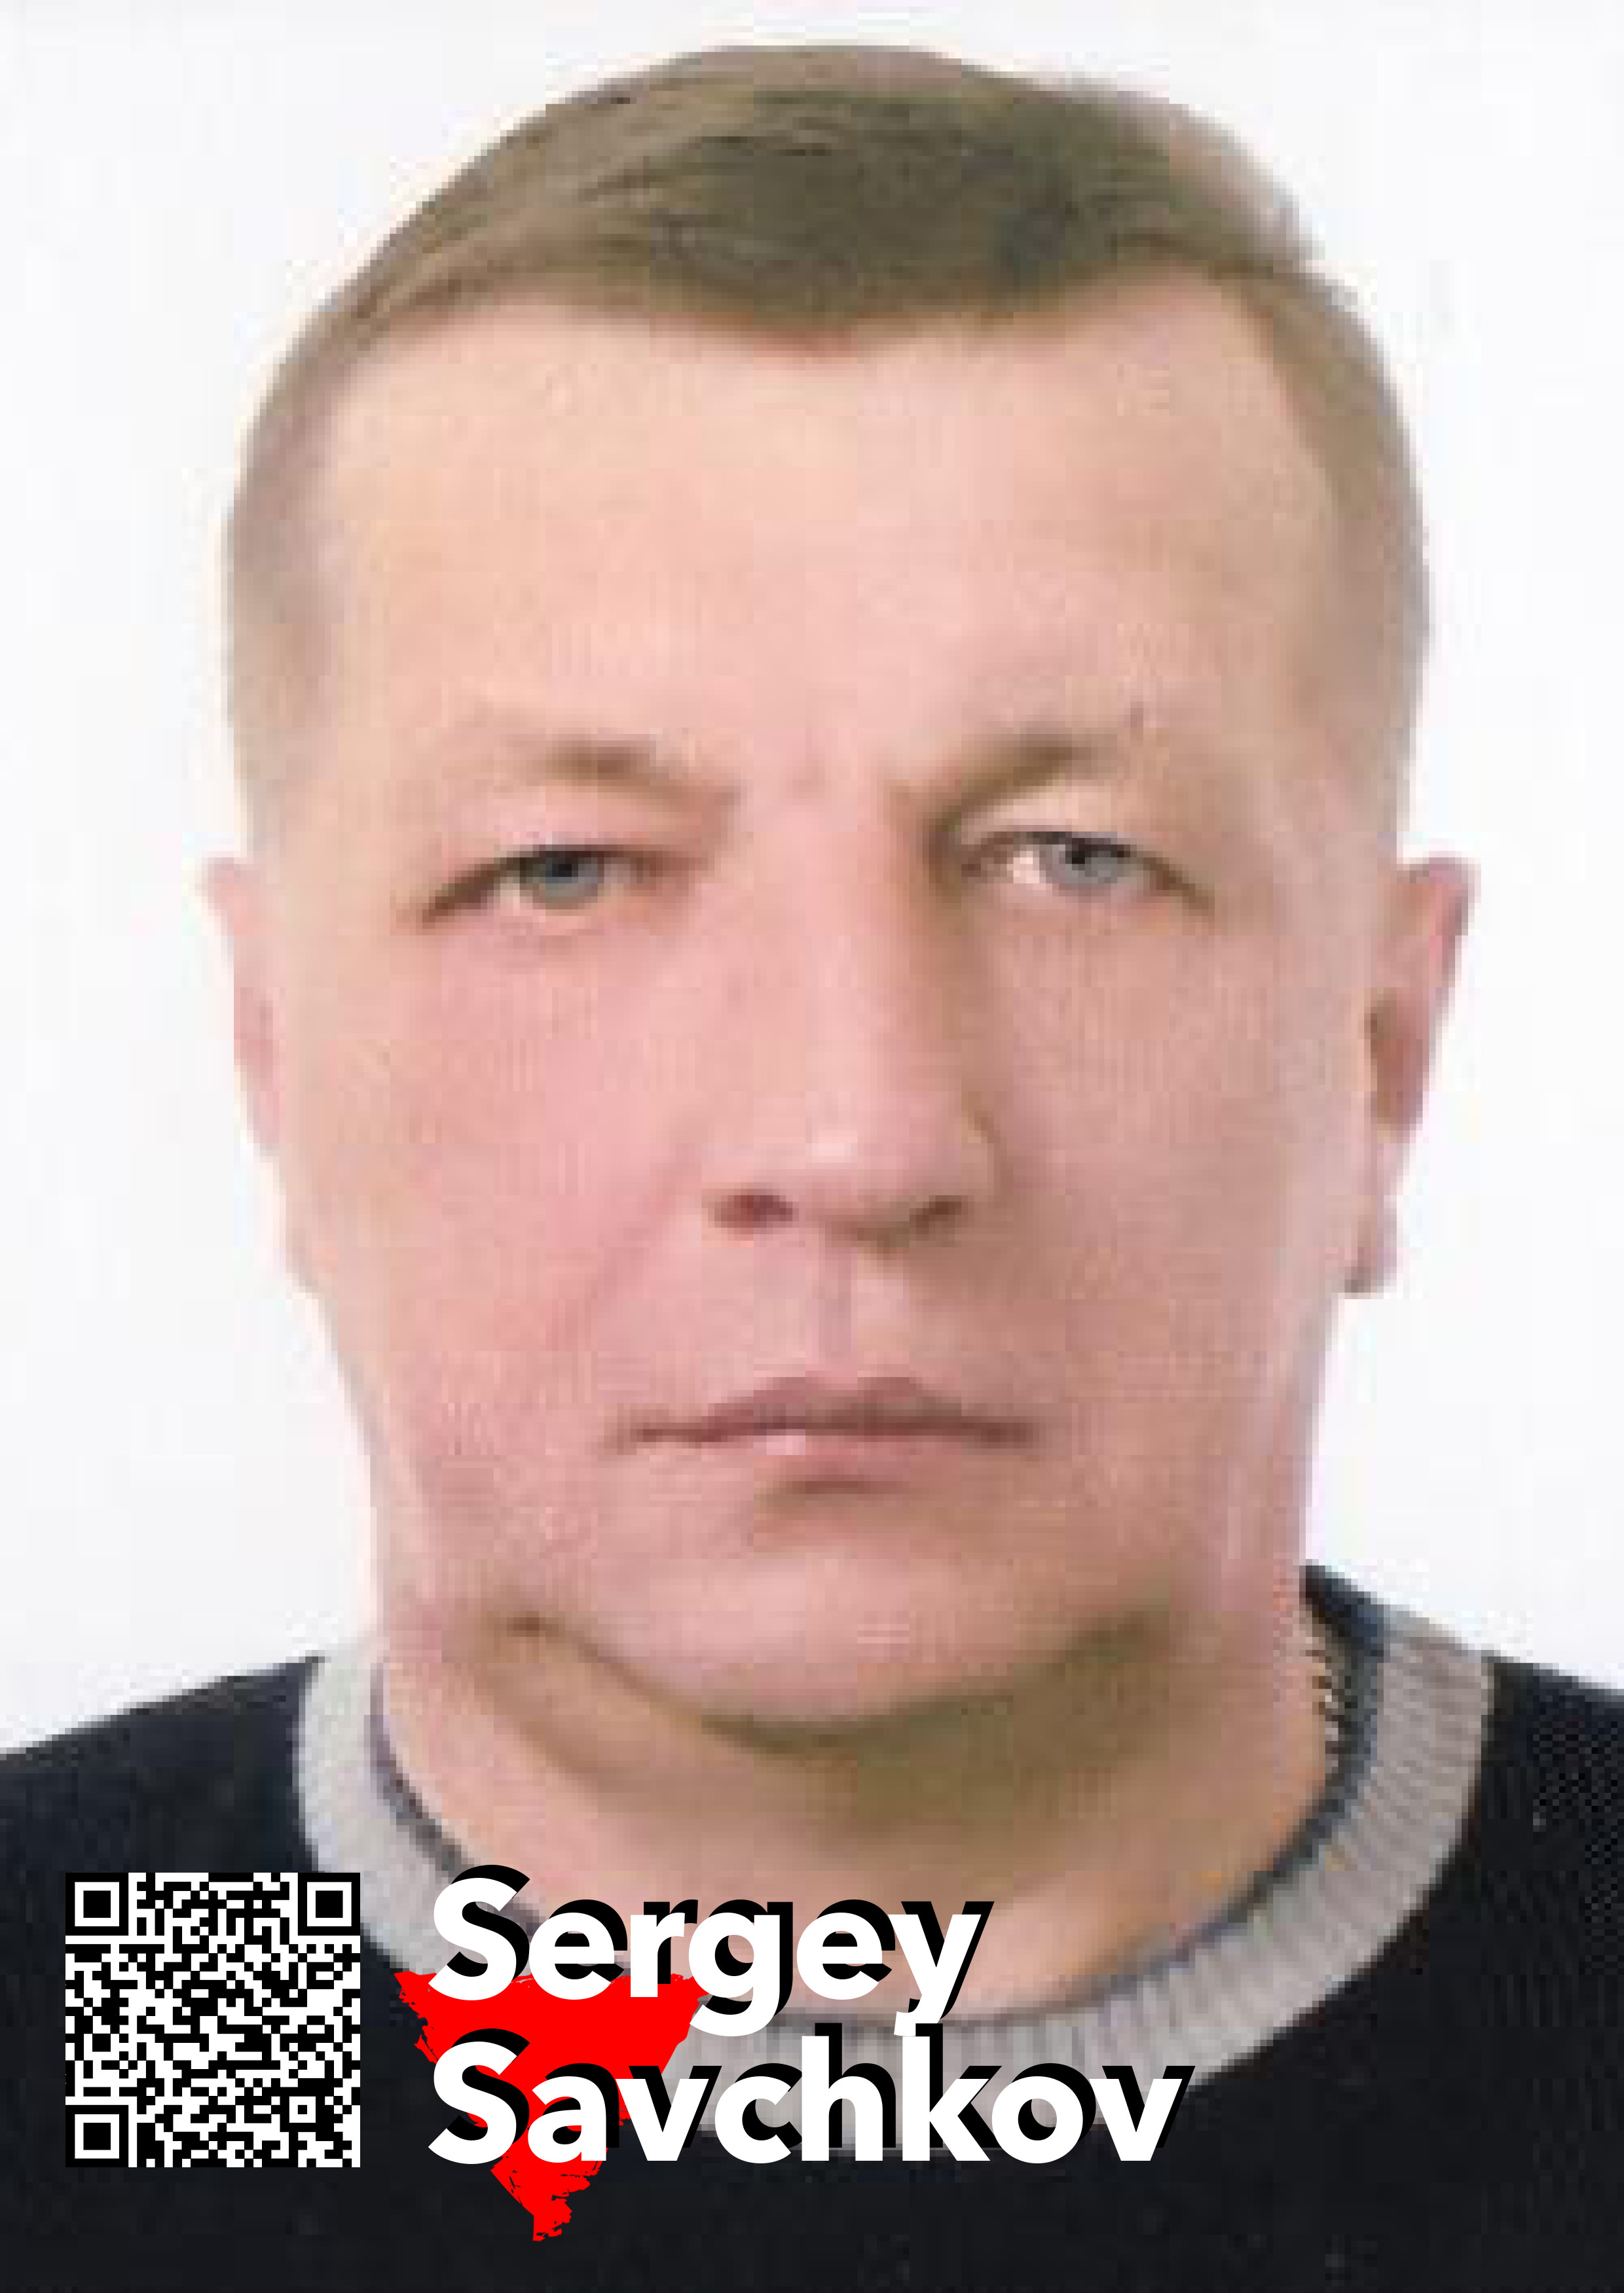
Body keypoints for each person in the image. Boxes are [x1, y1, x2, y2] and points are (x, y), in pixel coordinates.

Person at [3, 41, 1620, 2289]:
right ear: (275, 1054)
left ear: (1385, 1049)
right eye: (568, 872)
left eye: (1074, 858)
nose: (851, 1138)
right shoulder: (122, 2024)